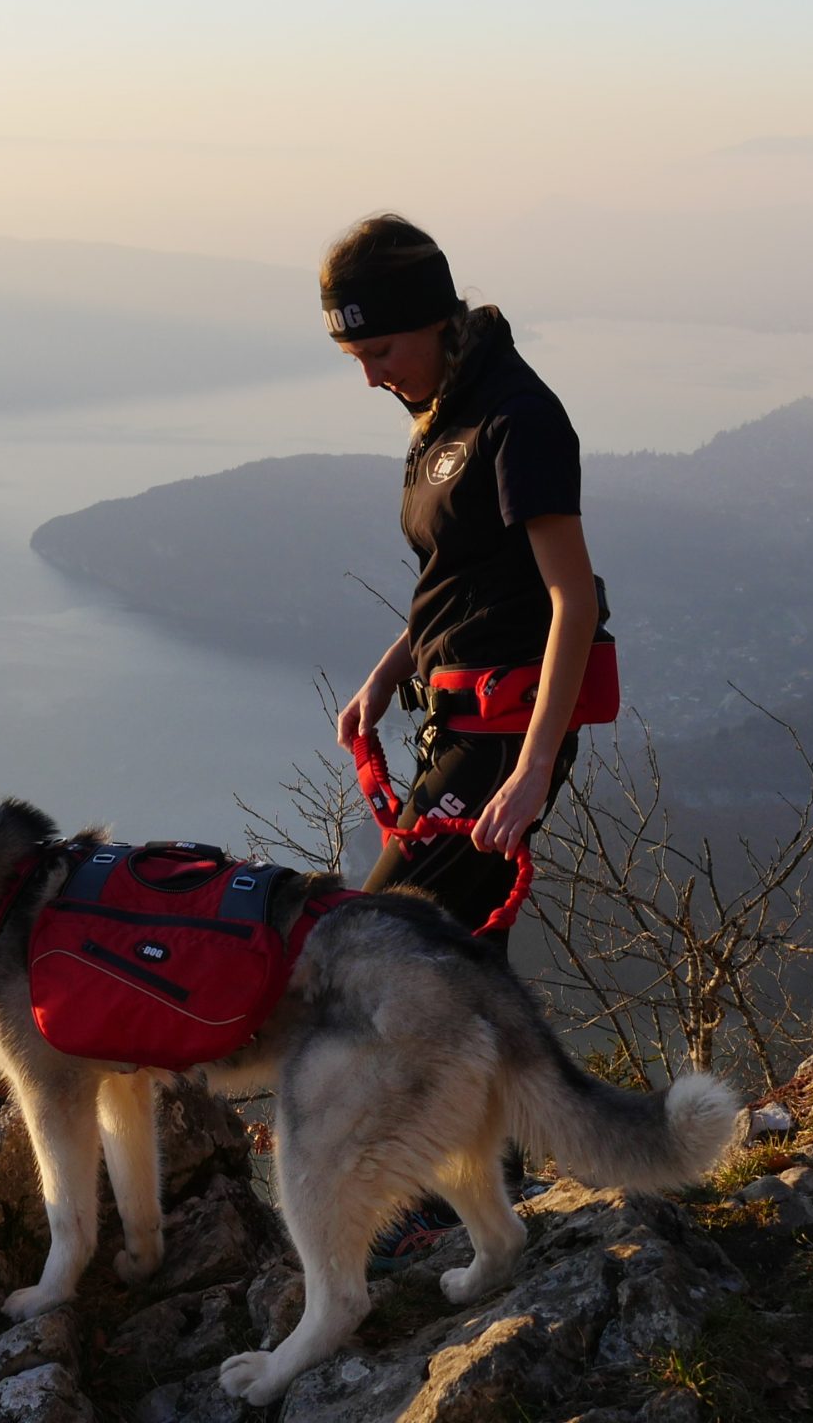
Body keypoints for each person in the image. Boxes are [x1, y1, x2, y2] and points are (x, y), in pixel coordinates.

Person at [320, 213, 610, 1268]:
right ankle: (476, 1197)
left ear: (437, 322)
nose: (369, 377)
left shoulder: (519, 419)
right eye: (353, 358)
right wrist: (389, 668)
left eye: (379, 352)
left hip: (504, 731)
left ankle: (441, 1205)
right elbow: (460, 582)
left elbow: (570, 600)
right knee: (443, 961)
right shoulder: (441, 407)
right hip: (459, 711)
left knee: (380, 945)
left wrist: (533, 768)